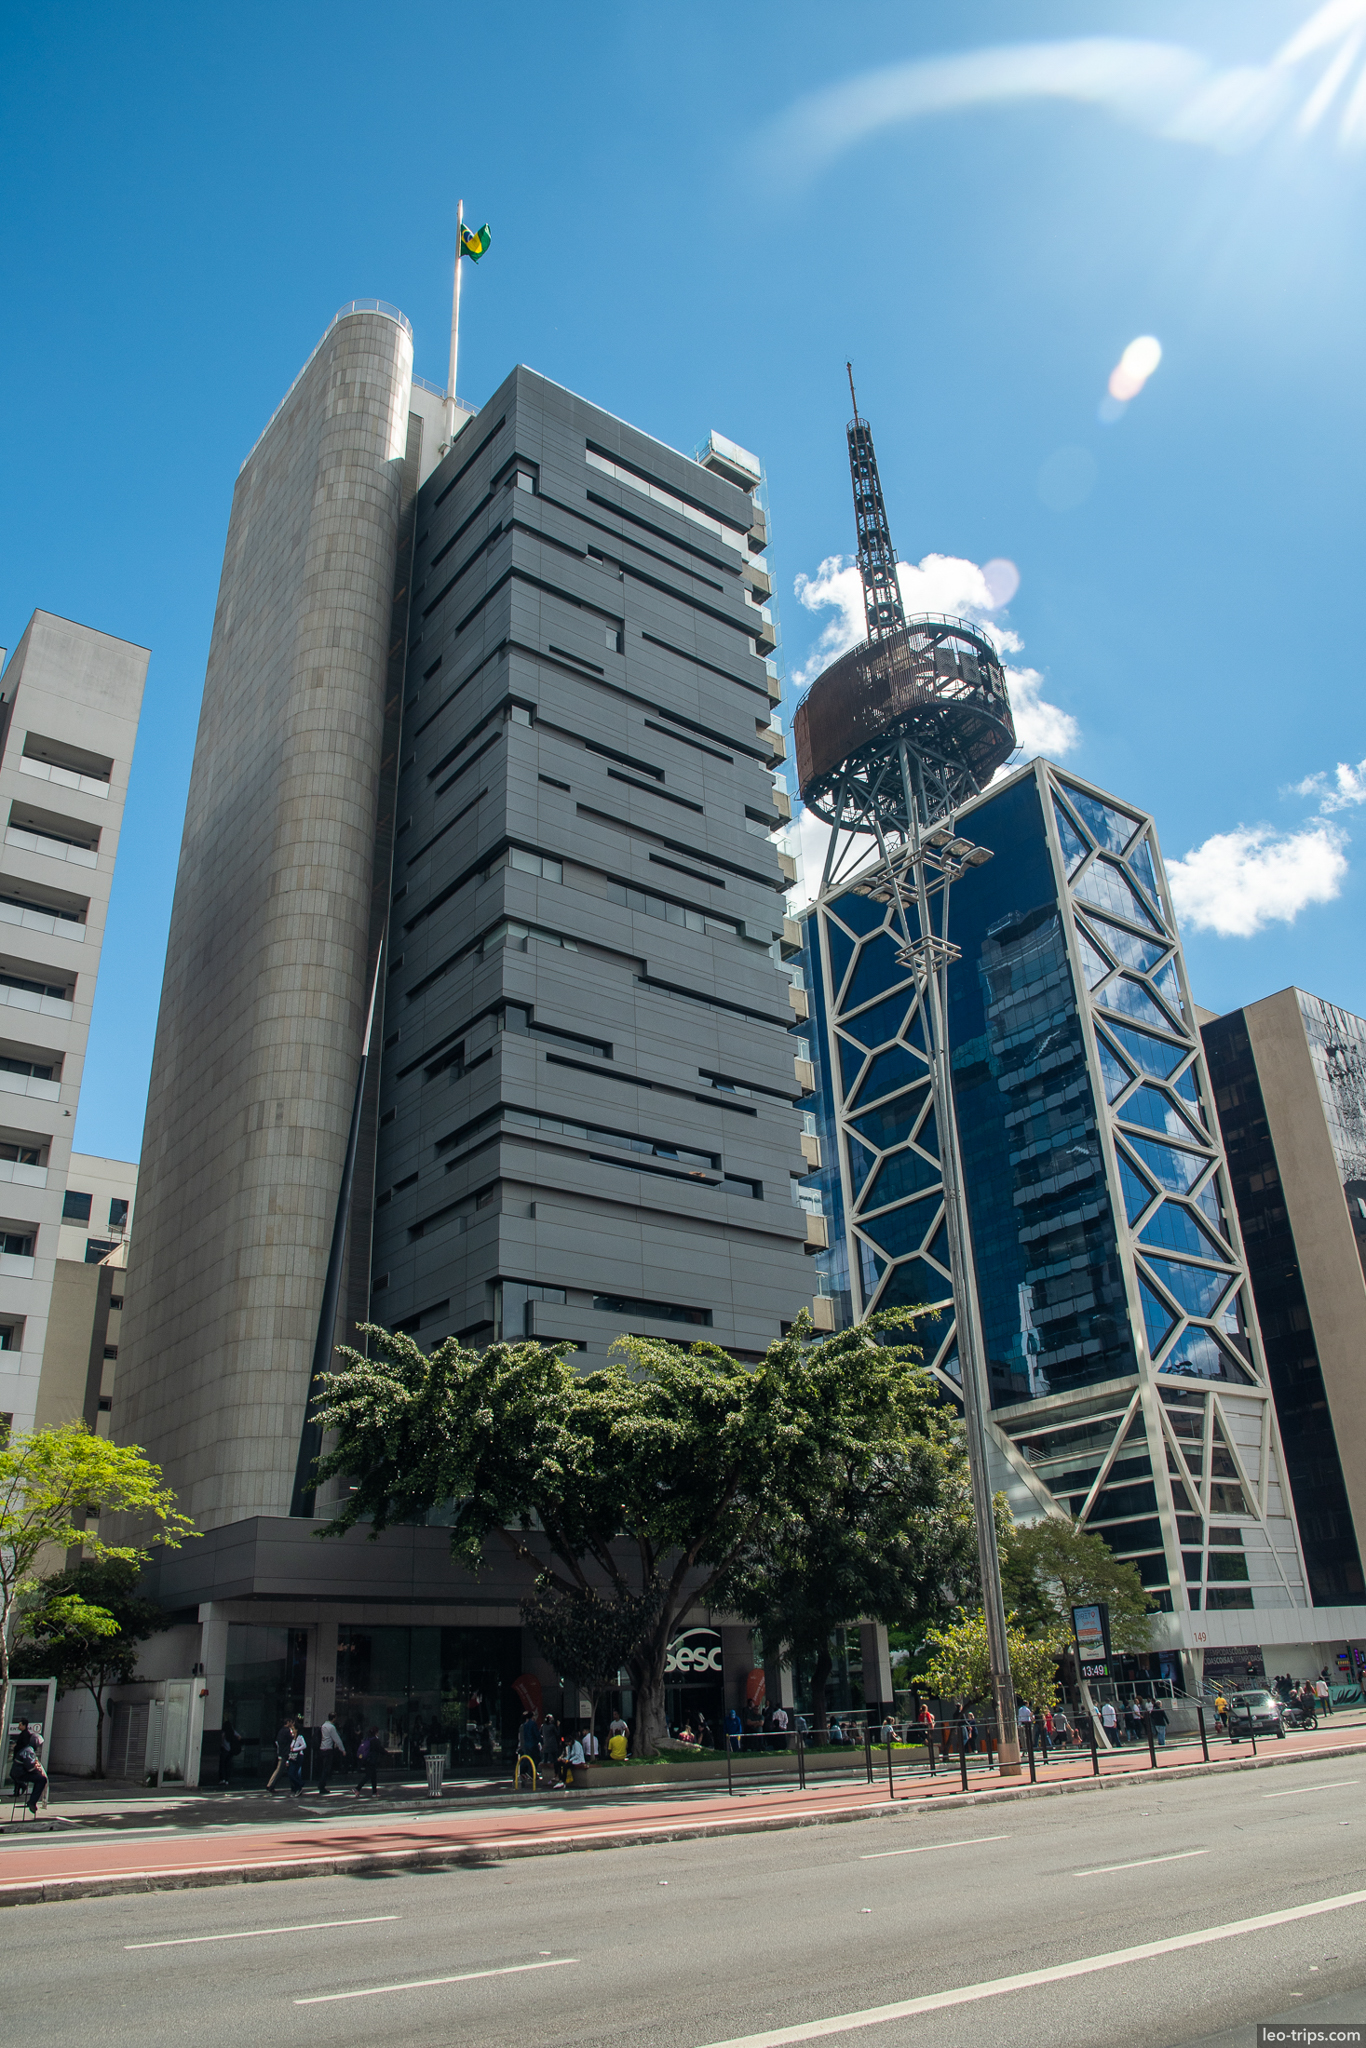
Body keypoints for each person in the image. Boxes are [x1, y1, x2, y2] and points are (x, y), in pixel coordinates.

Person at [10, 1724, 47, 1815]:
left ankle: (31, 1798)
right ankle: (32, 1801)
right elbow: (29, 1767)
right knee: (42, 1779)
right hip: (20, 1774)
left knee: (39, 1779)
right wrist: (37, 1771)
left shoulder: (27, 1749)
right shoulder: (29, 1751)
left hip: (17, 1773)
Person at [317, 1712, 345, 1794]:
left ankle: (321, 1784)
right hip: (328, 1749)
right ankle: (322, 1786)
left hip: (322, 1748)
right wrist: (342, 1749)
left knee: (323, 1768)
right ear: (334, 1718)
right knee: (327, 1769)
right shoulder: (331, 1727)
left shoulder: (323, 1726)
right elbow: (337, 1739)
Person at [267, 1714, 294, 1795]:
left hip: (281, 1752)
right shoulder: (286, 1731)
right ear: (288, 1722)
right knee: (280, 1770)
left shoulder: (281, 1731)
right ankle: (271, 1785)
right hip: (284, 1753)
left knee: (279, 1769)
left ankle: (270, 1784)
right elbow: (292, 1738)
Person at [355, 1725, 381, 1797]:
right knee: (369, 1776)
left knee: (373, 1776)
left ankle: (374, 1792)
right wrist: (388, 1754)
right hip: (372, 1760)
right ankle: (358, 1788)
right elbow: (380, 1749)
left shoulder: (367, 1739)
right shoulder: (375, 1740)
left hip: (367, 1760)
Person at [218, 1716, 242, 1787]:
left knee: (222, 1765)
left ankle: (222, 1779)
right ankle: (227, 1780)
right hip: (231, 1750)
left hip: (224, 1750)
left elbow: (221, 1741)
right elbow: (239, 1737)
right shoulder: (232, 1732)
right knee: (228, 1765)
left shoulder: (224, 1733)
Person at [540, 1714, 561, 1787]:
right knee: (555, 1760)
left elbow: (540, 1734)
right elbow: (557, 1734)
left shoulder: (543, 1726)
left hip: (546, 1745)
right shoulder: (552, 1726)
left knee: (545, 1759)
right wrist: (558, 1726)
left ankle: (544, 1774)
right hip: (552, 1745)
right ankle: (556, 1774)